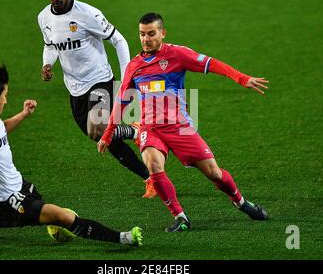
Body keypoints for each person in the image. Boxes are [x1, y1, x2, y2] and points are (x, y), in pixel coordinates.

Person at [97, 13, 270, 232]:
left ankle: (242, 203)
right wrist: (107, 133)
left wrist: (242, 78)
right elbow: (121, 102)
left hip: (180, 128)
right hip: (150, 129)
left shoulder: (177, 54)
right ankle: (180, 217)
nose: (146, 39)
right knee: (153, 165)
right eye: (142, 34)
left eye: (151, 34)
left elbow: (211, 63)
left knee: (214, 174)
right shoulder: (134, 66)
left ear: (162, 33)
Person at [0, 63, 142, 246]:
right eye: (5, 95)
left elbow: (0, 129)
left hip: (18, 183)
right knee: (61, 216)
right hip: (4, 198)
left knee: (21, 217)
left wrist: (23, 115)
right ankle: (124, 238)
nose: (6, 100)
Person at [38, 0, 156, 198]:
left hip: (99, 80)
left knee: (99, 129)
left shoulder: (88, 14)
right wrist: (47, 64)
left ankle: (134, 131)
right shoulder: (44, 18)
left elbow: (118, 40)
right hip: (74, 87)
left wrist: (126, 79)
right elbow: (50, 46)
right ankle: (149, 177)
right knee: (102, 138)